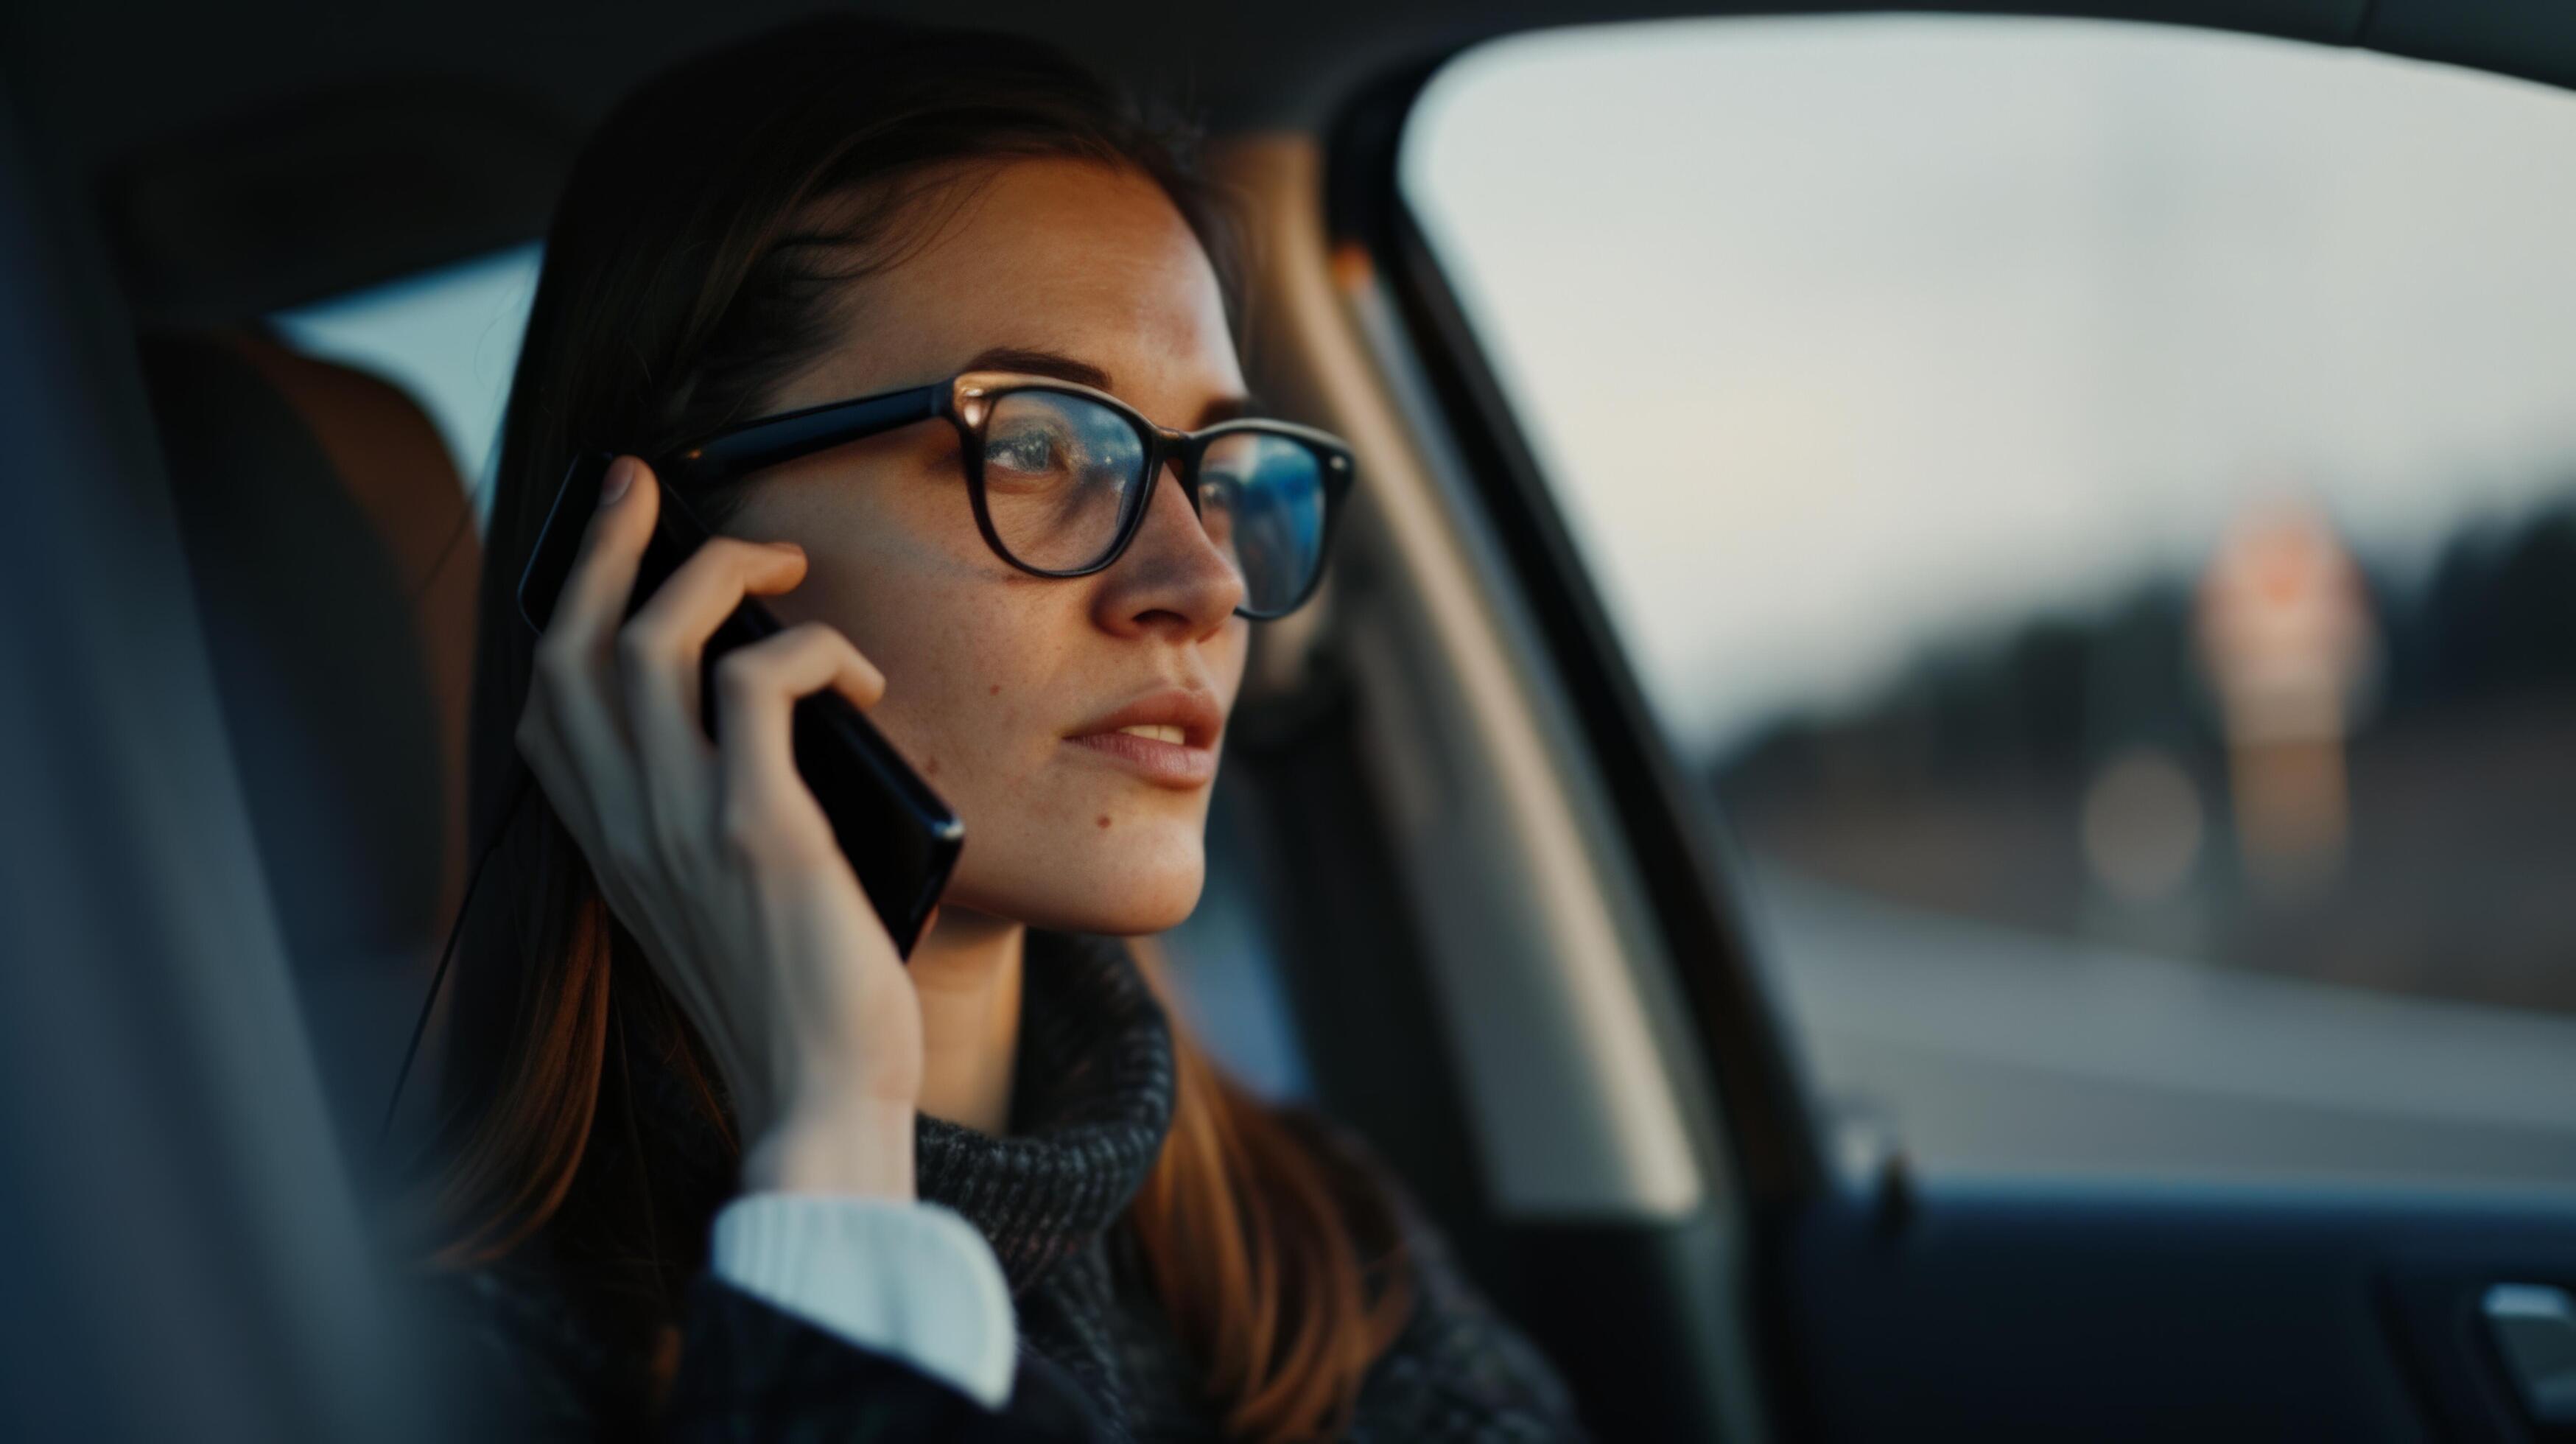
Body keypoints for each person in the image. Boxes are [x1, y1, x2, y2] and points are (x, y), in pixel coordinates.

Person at [399, 15, 1589, 1443]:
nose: (1204, 583)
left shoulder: (1316, 1241)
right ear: (662, 569)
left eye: (1210, 467)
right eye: (1037, 444)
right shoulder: (444, 1365)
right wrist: (831, 1148)